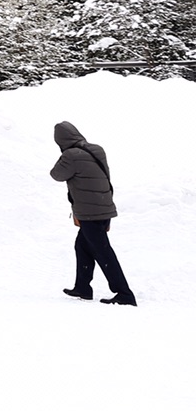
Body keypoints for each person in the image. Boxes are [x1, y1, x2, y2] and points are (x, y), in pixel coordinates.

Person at [51, 121, 137, 306]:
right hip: (103, 206)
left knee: (104, 252)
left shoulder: (70, 155)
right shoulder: (97, 149)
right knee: (81, 246)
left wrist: (63, 156)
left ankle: (125, 294)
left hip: (89, 212)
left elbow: (56, 174)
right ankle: (82, 287)